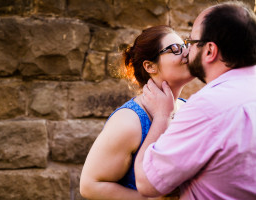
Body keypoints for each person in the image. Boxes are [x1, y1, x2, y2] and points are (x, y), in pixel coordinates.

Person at [134, 1, 256, 200]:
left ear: (209, 51)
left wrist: (162, 116)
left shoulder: (209, 106)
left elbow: (147, 182)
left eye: (190, 43)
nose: (186, 52)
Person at [79, 25, 193, 200]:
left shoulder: (188, 109)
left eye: (185, 46)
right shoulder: (129, 121)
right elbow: (90, 186)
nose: (187, 53)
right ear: (150, 66)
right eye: (176, 49)